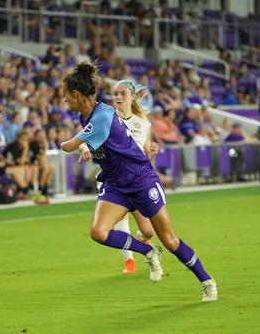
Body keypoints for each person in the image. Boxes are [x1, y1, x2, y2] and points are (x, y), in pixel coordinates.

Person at [60, 62, 217, 302]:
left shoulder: (102, 114)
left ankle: (207, 281)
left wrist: (72, 144)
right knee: (98, 232)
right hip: (115, 184)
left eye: (65, 96)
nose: (64, 101)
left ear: (76, 94)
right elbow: (89, 142)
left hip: (141, 180)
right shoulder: (88, 118)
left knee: (170, 240)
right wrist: (85, 146)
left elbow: (67, 145)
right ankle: (148, 251)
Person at [95, 79, 159, 274]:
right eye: (115, 94)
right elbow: (85, 137)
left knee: (148, 231)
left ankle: (143, 242)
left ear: (132, 97)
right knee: (116, 225)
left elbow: (146, 153)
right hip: (114, 181)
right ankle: (129, 262)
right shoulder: (107, 119)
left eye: (123, 94)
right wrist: (83, 148)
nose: (118, 97)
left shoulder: (144, 124)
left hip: (137, 182)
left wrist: (152, 152)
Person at [30, 128, 56, 198]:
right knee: (46, 167)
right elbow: (38, 158)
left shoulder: (43, 145)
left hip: (41, 163)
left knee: (52, 167)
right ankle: (41, 188)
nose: (41, 138)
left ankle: (46, 187)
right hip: (33, 164)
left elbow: (45, 158)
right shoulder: (33, 145)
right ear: (36, 136)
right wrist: (46, 148)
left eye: (43, 136)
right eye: (39, 136)